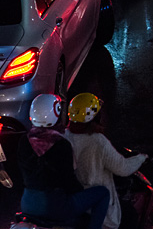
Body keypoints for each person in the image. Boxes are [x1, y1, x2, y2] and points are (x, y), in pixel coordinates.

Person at [19, 94, 110, 229]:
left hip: (27, 203)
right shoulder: (61, 144)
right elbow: (69, 181)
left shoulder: (23, 141)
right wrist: (81, 190)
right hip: (54, 206)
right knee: (103, 193)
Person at [64, 93, 147, 229]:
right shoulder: (98, 141)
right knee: (130, 214)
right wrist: (141, 158)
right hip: (97, 207)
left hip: (75, 201)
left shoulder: (65, 137)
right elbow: (123, 168)